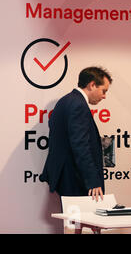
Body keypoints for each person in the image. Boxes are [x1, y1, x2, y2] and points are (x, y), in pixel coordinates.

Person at [39, 67, 112, 202]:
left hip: (67, 176)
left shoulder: (66, 101)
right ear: (92, 85)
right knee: (80, 220)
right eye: (104, 91)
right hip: (75, 178)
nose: (104, 96)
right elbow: (80, 146)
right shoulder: (78, 105)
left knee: (72, 221)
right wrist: (92, 180)